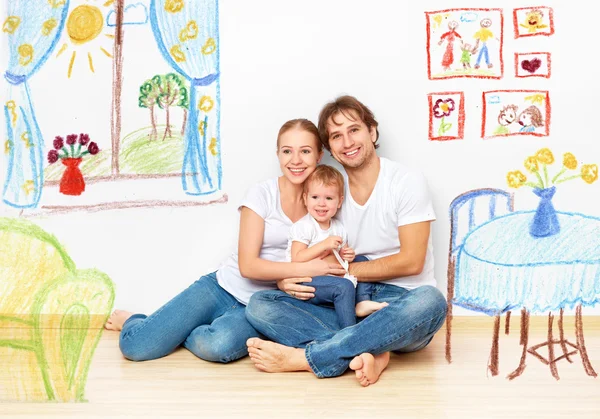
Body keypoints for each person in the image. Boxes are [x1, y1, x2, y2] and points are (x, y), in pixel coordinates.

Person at [104, 119, 346, 363]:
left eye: (305, 151)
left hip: (260, 306)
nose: (295, 160)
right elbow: (248, 266)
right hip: (222, 286)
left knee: (217, 346)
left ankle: (179, 331)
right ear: (278, 154)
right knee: (136, 346)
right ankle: (136, 320)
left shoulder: (324, 203)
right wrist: (303, 269)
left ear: (319, 155)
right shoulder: (261, 194)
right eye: (287, 151)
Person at [244, 95, 447, 387]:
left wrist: (345, 273)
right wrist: (286, 279)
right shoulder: (329, 193)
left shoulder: (406, 181)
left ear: (372, 132)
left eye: (354, 130)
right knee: (260, 304)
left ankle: (308, 358)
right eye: (336, 136)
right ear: (329, 149)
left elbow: (412, 261)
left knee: (431, 302)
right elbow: (304, 251)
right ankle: (375, 352)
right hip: (342, 302)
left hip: (400, 303)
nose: (347, 142)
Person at [286, 164, 388, 329]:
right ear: (305, 199)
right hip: (307, 281)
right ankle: (349, 331)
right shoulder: (304, 226)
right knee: (344, 286)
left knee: (363, 260)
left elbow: (342, 256)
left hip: (331, 274)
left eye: (328, 198)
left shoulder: (338, 227)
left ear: (339, 201)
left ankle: (362, 302)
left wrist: (347, 254)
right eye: (315, 197)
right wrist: (324, 245)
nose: (321, 204)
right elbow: (297, 258)